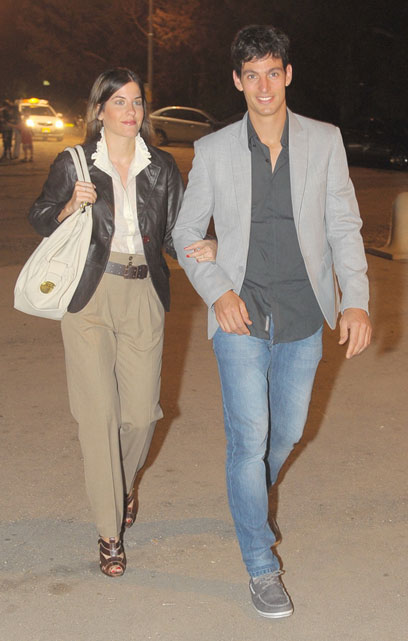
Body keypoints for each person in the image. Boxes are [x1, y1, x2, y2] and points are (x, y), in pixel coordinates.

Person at [173, 25, 372, 618]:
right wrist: (218, 292)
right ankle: (261, 565)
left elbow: (343, 226)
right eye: (251, 75)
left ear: (288, 75)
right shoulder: (213, 150)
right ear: (238, 82)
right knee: (249, 438)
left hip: (304, 315)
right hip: (241, 315)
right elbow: (186, 232)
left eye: (273, 72)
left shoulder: (325, 140)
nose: (264, 86)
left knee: (283, 435)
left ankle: (249, 500)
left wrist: (356, 299)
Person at [28, 67, 216, 577]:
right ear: (99, 110)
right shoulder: (74, 162)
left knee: (140, 415)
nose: (131, 111)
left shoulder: (163, 167)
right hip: (89, 294)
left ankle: (124, 484)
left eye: (137, 102)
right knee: (97, 416)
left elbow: (175, 234)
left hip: (144, 293)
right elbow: (40, 216)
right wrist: (69, 205)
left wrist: (208, 247)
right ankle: (109, 532)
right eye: (119, 102)